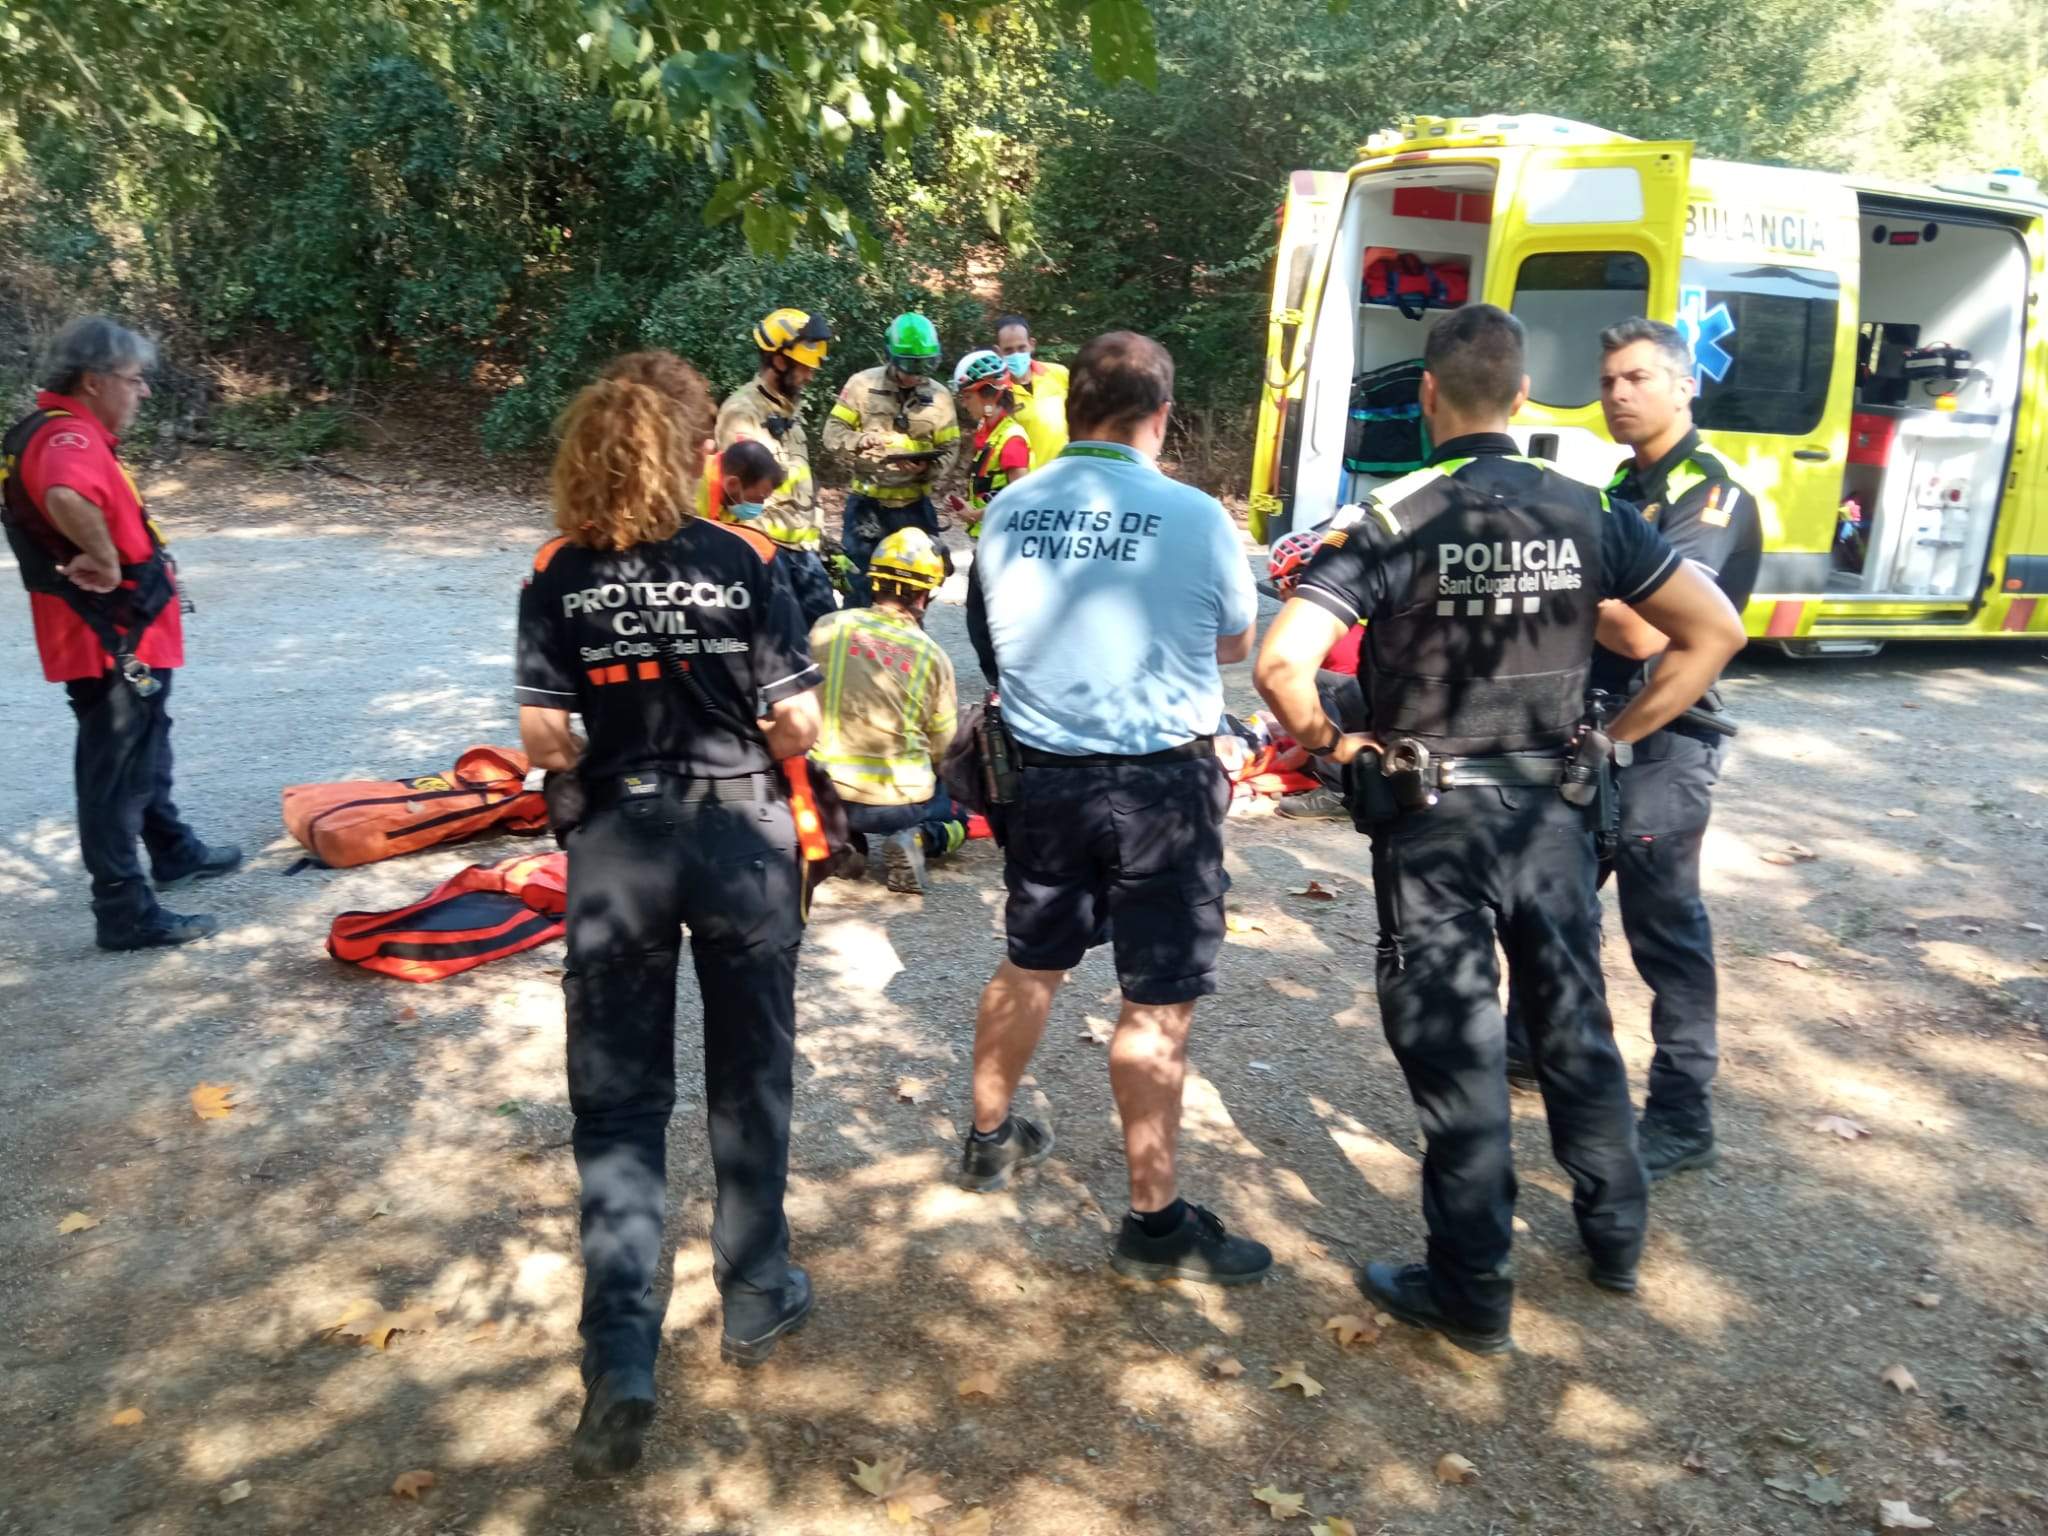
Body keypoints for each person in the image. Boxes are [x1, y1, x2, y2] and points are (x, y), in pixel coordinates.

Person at [1253, 305, 1746, 1354]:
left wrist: (1337, 753)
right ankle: (1612, 1236)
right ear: (1521, 401)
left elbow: (1278, 666)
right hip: (1551, 816)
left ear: (1427, 396)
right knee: (1571, 1021)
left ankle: (1472, 1286)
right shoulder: (1587, 510)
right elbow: (1711, 633)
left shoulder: (1386, 519)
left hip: (1431, 824)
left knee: (1458, 1048)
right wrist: (1615, 735)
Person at [515, 370, 823, 1478]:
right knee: (750, 1077)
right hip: (738, 838)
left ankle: (621, 1360)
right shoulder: (746, 560)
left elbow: (544, 738)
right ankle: (753, 1292)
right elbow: (795, 724)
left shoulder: (554, 573)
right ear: (696, 452)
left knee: (618, 1107)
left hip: (618, 852)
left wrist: (603, 733)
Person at [960, 330, 1271, 1286]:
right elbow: (1232, 642)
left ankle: (987, 1136)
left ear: (1072, 407)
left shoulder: (1008, 508)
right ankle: (1152, 1220)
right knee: (1155, 1000)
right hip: (1160, 790)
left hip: (1046, 778)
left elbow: (991, 644)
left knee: (1031, 959)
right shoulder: (1195, 514)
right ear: (1161, 414)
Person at [1504, 319, 1763, 1181]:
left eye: (1638, 378)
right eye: (1610, 379)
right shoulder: (1621, 484)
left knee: (1665, 932)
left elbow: (1656, 633)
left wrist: (1549, 575)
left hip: (1664, 737)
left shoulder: (1709, 494)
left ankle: (1684, 1112)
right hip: (1596, 727)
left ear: (1684, 387)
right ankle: (1532, 1041)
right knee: (1544, 896)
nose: (1618, 394)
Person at [1, 316, 239, 949]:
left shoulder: (59, 431)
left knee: (146, 739)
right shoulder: (67, 440)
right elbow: (65, 497)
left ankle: (172, 848)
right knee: (116, 766)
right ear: (92, 380)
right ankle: (122, 908)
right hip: (109, 636)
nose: (144, 392)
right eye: (134, 380)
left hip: (118, 632)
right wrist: (106, 560)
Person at [808, 527, 966, 893]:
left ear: (874, 582)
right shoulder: (931, 655)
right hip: (900, 804)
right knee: (954, 808)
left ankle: (843, 839)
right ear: (924, 595)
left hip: (827, 791)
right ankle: (921, 838)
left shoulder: (828, 627)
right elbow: (944, 748)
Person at [821, 312, 959, 604]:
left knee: (914, 594)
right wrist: (859, 442)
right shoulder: (861, 385)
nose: (916, 373)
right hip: (867, 508)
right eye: (910, 365)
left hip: (915, 509)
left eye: (924, 365)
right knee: (858, 590)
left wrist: (927, 469)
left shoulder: (940, 396)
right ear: (891, 356)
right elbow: (832, 433)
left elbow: (951, 447)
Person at [715, 309, 839, 627]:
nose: (810, 376)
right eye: (804, 368)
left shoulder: (789, 414)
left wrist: (822, 541)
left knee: (827, 641)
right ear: (780, 361)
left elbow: (801, 486)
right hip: (766, 555)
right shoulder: (742, 413)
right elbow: (742, 496)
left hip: (803, 556)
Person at [1264, 527, 1364, 822]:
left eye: (1280, 586)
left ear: (1295, 581)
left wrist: (1303, 750)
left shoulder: (1316, 618)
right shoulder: (1353, 594)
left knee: (1303, 677)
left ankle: (1338, 791)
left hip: (1376, 705)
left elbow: (1316, 698)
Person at [945, 349, 1036, 539]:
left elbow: (1019, 499)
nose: (964, 404)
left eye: (967, 397)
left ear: (990, 395)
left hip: (1003, 542)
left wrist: (975, 515)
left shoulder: (1012, 439)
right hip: (988, 539)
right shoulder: (988, 431)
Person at [995, 312, 1070, 462]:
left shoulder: (1058, 373)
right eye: (1008, 350)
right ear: (999, 352)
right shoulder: (997, 392)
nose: (1016, 354)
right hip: (1027, 479)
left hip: (1067, 471)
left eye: (1021, 348)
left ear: (1032, 345)